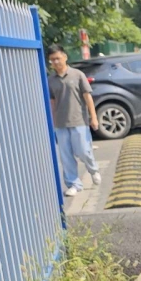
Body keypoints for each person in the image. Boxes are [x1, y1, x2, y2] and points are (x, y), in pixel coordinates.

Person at [47, 45, 101, 196]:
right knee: (66, 156)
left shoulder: (77, 75)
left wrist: (93, 117)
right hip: (60, 123)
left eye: (57, 58)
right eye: (52, 60)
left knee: (83, 150)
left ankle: (93, 169)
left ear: (65, 57)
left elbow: (87, 97)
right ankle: (74, 184)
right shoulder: (50, 80)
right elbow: (52, 102)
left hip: (79, 121)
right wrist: (52, 122)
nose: (55, 62)